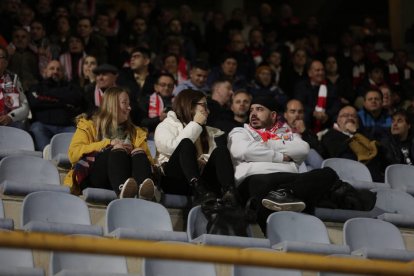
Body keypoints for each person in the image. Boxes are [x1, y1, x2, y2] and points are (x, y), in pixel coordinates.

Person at [227, 96, 375, 233]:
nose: (253, 113)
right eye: (252, 109)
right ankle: (286, 195)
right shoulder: (240, 132)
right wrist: (280, 156)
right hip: (256, 179)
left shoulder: (286, 133)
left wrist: (264, 143)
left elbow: (303, 149)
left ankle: (285, 194)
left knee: (327, 173)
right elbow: (243, 150)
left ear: (273, 116)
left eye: (259, 109)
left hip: (288, 179)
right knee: (266, 183)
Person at [64, 87, 156, 199]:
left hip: (129, 177)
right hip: (95, 177)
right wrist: (108, 143)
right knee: (117, 149)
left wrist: (132, 148)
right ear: (112, 106)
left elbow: (150, 162)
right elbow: (73, 154)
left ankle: (143, 192)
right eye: (124, 103)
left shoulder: (136, 132)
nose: (129, 107)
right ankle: (123, 190)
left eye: (129, 103)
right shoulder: (88, 125)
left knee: (139, 151)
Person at [154, 89, 238, 206]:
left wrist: (204, 159)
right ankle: (199, 188)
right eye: (204, 106)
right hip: (175, 180)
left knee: (221, 151)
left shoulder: (208, 131)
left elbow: (213, 155)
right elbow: (172, 148)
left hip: (203, 179)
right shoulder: (166, 125)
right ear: (190, 106)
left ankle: (230, 193)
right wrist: (196, 124)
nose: (208, 111)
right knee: (186, 143)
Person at [27, 60, 83, 150]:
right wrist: (63, 102)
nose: (55, 71)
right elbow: (35, 102)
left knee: (78, 134)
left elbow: (76, 100)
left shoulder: (71, 87)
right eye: (52, 68)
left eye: (58, 69)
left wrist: (46, 97)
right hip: (43, 125)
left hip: (67, 127)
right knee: (36, 129)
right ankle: (47, 159)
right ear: (45, 71)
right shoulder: (36, 87)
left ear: (63, 73)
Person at [321, 105, 384, 181]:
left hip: (373, 176)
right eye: (345, 116)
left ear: (358, 121)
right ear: (338, 120)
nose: (350, 118)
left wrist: (356, 133)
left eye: (353, 116)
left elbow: (379, 153)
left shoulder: (366, 134)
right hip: (345, 176)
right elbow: (339, 153)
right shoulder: (330, 135)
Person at [294, 60, 341, 133]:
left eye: (322, 70)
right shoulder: (302, 86)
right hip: (309, 118)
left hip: (326, 119)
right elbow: (299, 103)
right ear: (310, 73)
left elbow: (336, 104)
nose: (321, 73)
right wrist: (313, 112)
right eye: (317, 70)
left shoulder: (331, 86)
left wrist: (327, 115)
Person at [0, 45, 29, 129]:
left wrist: (10, 117)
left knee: (19, 126)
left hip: (8, 123)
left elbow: (25, 108)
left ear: (6, 63)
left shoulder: (12, 79)